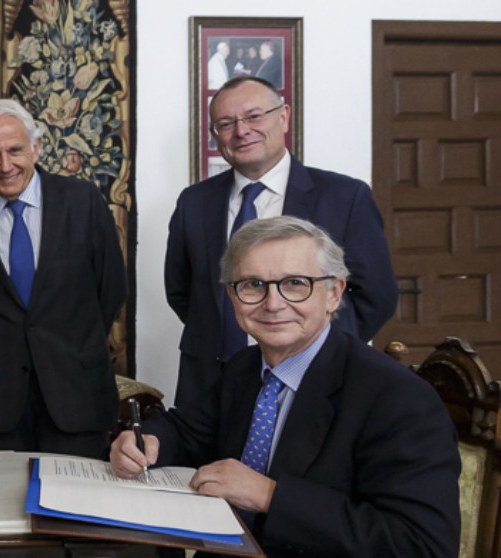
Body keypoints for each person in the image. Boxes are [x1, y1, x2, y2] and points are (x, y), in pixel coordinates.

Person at [112, 216, 459, 557]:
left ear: (334, 294)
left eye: (295, 283)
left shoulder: (397, 397)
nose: (273, 304)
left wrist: (270, 497)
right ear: (232, 297)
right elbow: (184, 430)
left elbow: (422, 544)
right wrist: (147, 441)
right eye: (252, 285)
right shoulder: (244, 369)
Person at [164, 76, 397, 411]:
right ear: (216, 136)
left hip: (315, 380)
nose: (241, 131)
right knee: (207, 465)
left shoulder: (344, 197)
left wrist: (318, 344)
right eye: (226, 123)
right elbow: (182, 291)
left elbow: (377, 294)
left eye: (254, 116)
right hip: (210, 381)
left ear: (283, 116)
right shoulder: (194, 202)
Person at [0, 99, 126, 457]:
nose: (5, 165)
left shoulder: (83, 201)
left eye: (15, 150)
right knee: (2, 503)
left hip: (77, 392)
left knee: (77, 507)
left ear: (37, 147)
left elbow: (111, 288)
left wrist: (71, 342)